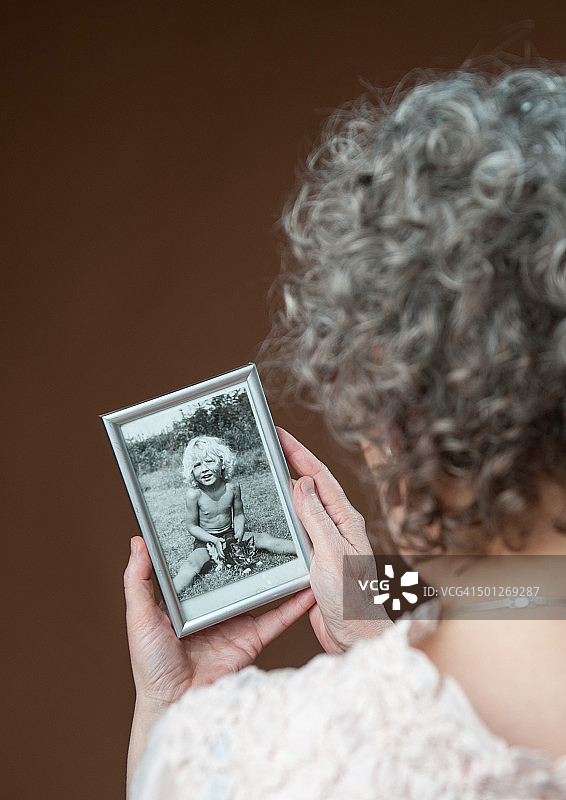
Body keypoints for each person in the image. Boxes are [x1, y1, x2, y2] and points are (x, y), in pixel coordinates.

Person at [124, 66, 566, 798]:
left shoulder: (265, 764)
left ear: (391, 401)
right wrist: (370, 594)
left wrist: (175, 717)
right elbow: (532, 593)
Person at [173, 436, 296, 593]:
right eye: (197, 465)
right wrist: (213, 540)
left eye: (209, 461)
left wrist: (238, 533)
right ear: (191, 471)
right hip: (206, 541)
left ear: (223, 462)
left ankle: (306, 551)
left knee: (263, 538)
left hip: (230, 535)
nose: (204, 469)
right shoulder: (194, 495)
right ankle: (171, 597)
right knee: (191, 564)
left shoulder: (232, 488)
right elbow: (191, 526)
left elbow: (238, 514)